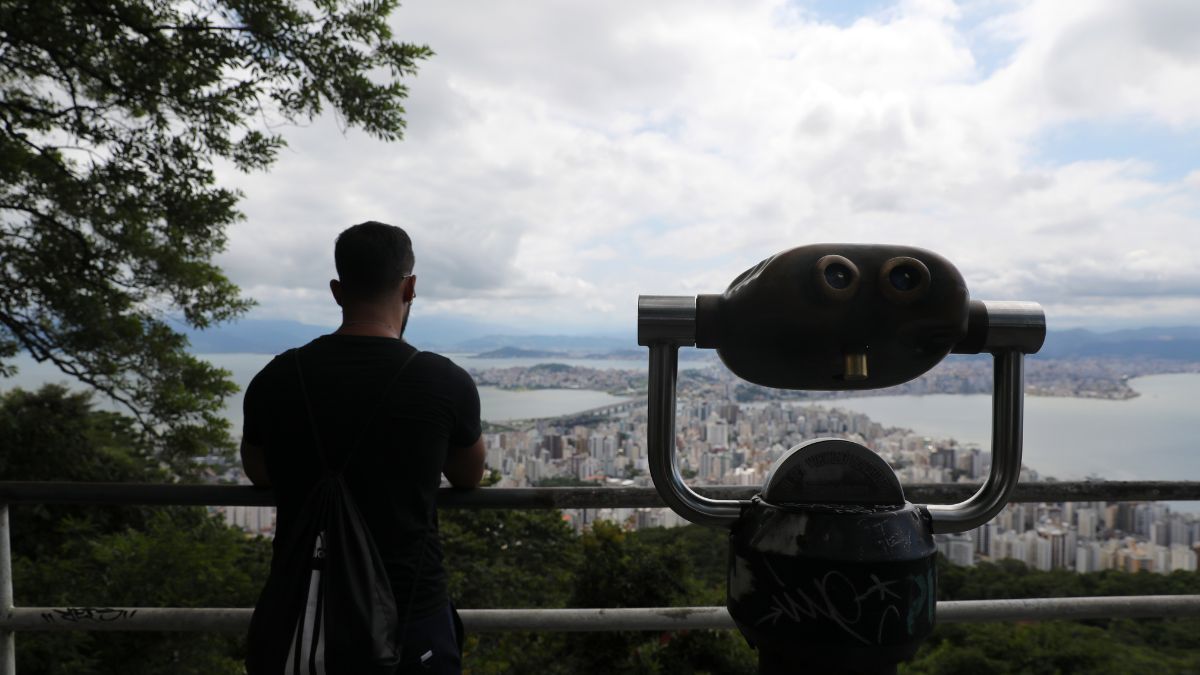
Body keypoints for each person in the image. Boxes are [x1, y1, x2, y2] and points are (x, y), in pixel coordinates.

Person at [240, 221, 485, 674]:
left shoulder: (276, 378)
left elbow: (259, 472)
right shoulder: (443, 381)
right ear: (410, 287)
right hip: (410, 608)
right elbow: (470, 476)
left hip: (303, 608)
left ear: (337, 290)